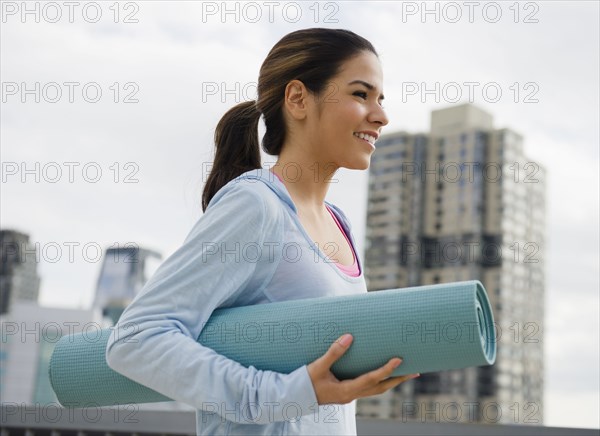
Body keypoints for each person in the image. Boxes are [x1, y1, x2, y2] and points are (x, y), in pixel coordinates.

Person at [106, 27, 419, 435]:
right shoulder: (256, 206)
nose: (380, 116)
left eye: (380, 99)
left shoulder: (340, 224)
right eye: (361, 95)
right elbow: (136, 338)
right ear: (298, 98)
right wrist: (285, 393)